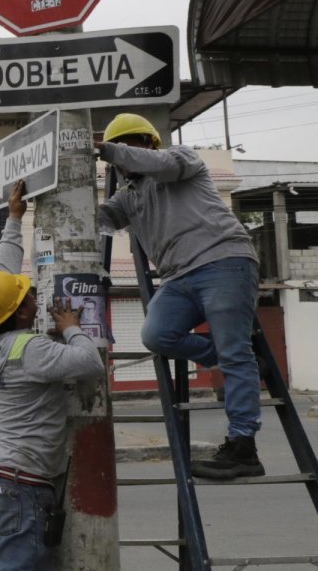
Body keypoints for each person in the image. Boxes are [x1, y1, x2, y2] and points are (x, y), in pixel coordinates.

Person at [94, 113, 262, 480]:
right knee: (156, 335)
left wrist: (106, 149)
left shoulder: (180, 159)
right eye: (120, 149)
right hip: (177, 279)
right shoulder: (129, 197)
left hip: (224, 261)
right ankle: (229, 358)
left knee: (236, 354)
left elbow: (158, 165)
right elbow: (99, 219)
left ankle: (243, 446)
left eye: (129, 145)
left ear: (148, 143)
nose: (125, 155)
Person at [0, 179, 107, 571]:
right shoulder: (31, 349)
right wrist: (71, 328)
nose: (33, 297)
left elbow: (1, 276)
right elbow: (90, 363)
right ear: (21, 314)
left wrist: (14, 219)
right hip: (22, 487)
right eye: (28, 297)